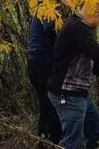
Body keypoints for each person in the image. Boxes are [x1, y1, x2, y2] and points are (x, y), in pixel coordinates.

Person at [47, 2, 99, 149]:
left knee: (94, 128)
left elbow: (88, 58)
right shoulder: (77, 26)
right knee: (72, 140)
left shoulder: (79, 27)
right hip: (67, 93)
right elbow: (95, 52)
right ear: (96, 15)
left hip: (80, 93)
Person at [27, 15, 61, 144]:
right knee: (53, 105)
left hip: (34, 62)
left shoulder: (40, 10)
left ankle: (42, 141)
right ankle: (53, 142)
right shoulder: (47, 6)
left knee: (45, 106)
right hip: (43, 63)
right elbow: (49, 28)